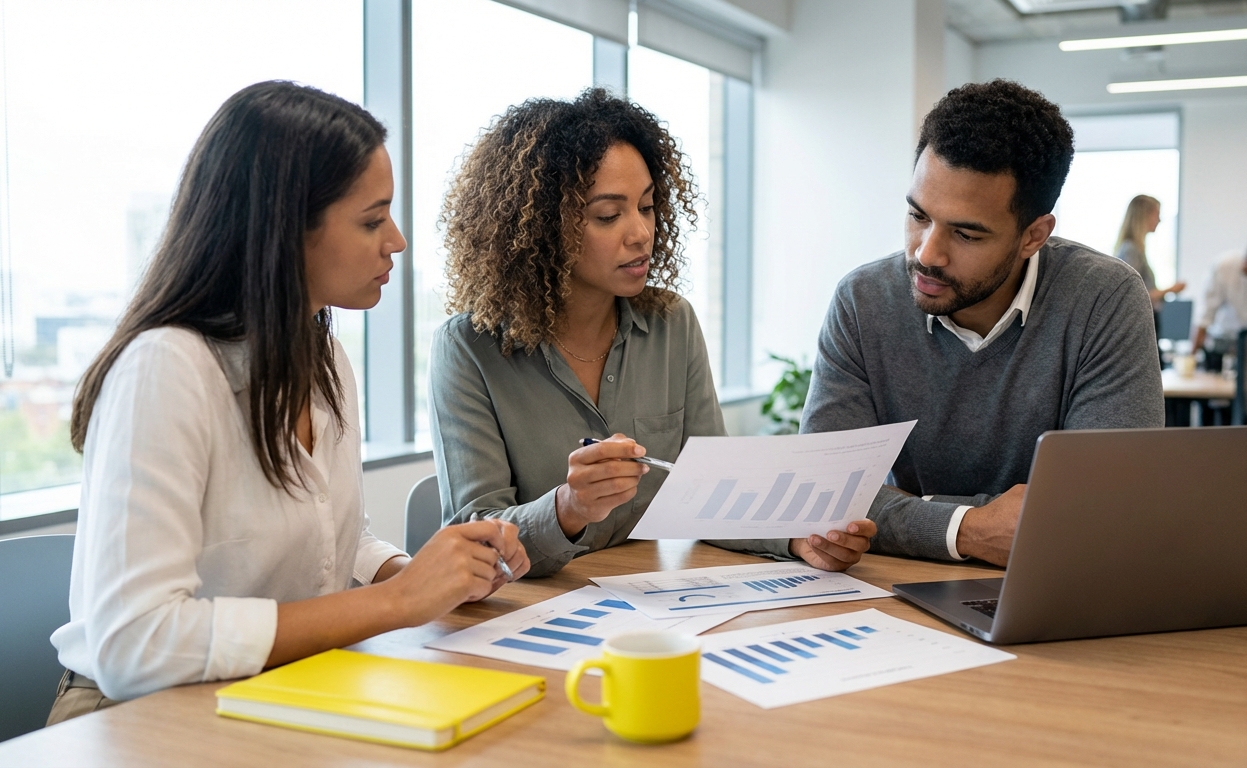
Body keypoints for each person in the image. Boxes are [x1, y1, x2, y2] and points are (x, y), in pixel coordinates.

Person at [49, 82, 529, 718]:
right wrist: (398, 602)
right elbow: (134, 643)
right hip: (133, 715)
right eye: (370, 219)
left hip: (278, 691)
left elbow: (332, 546)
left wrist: (432, 578)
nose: (397, 241)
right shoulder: (167, 368)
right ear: (283, 229)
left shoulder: (323, 355)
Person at [429, 89, 874, 578]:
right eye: (608, 215)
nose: (641, 233)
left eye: (646, 206)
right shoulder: (468, 347)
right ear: (540, 228)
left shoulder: (671, 324)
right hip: (523, 614)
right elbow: (475, 537)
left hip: (643, 601)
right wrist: (569, 507)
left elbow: (712, 491)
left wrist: (798, 538)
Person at [799, 80, 1163, 567]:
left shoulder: (1103, 297)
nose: (926, 254)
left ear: (1034, 235)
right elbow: (822, 494)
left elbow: (1103, 509)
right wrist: (966, 530)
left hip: (1050, 584)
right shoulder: (863, 301)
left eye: (966, 234)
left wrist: (897, 515)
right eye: (917, 215)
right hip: (896, 586)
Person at [1113, 194, 1185, 307]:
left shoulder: (1135, 249)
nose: (1159, 220)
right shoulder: (1130, 250)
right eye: (1157, 214)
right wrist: (1170, 290)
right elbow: (1131, 294)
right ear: (1144, 215)